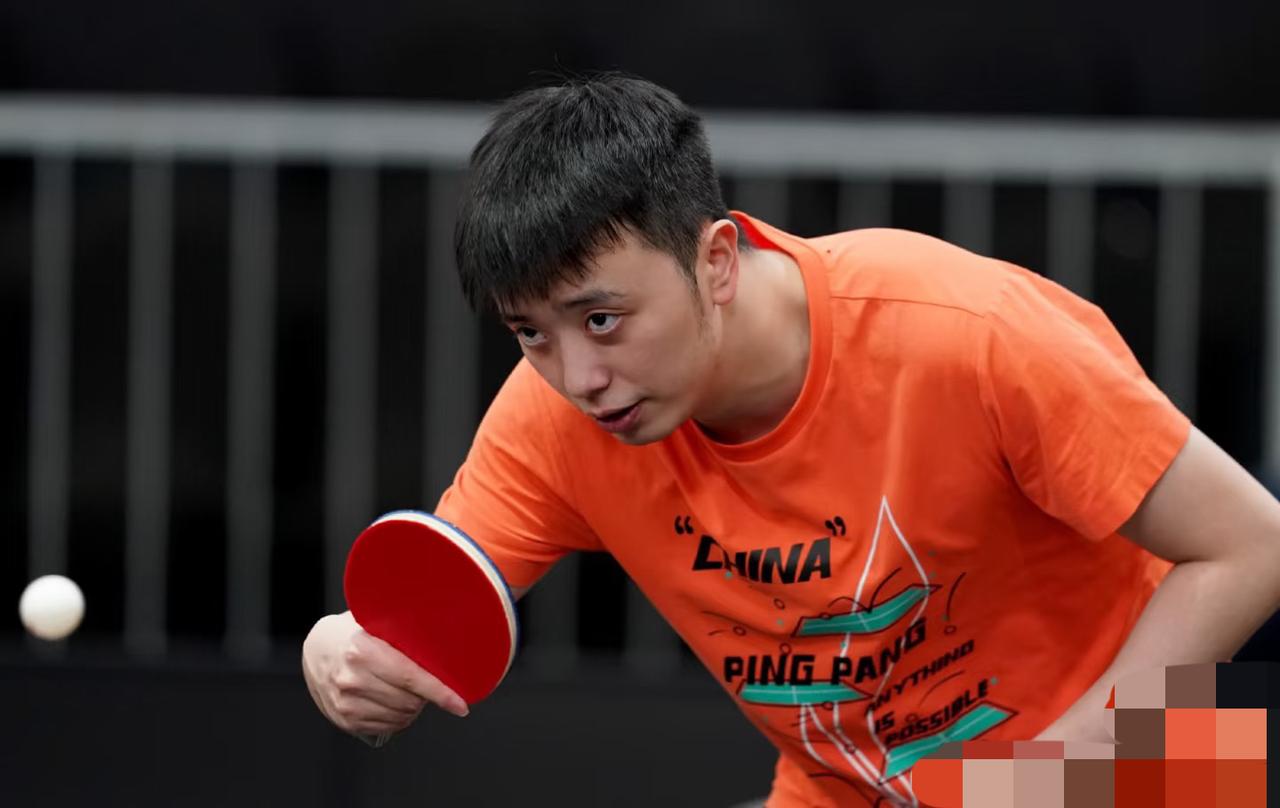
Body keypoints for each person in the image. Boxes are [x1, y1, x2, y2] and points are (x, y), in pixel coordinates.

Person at [302, 74, 1280, 807]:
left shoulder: (965, 334)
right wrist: (333, 649)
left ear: (717, 261)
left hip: (1134, 764)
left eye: (601, 319)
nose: (578, 376)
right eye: (530, 333)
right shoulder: (556, 415)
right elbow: (409, 615)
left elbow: (1252, 544)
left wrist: (1056, 777)